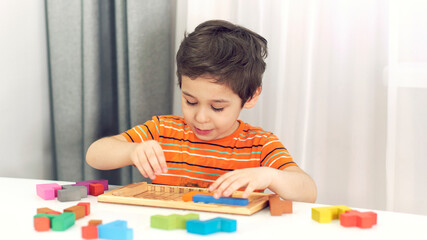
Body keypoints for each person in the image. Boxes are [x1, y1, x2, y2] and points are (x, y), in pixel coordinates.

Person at [86, 20, 317, 202]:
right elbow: (95, 154)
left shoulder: (260, 145)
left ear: (251, 96)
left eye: (217, 107)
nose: (200, 117)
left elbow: (308, 191)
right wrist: (132, 150)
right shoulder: (163, 130)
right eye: (190, 101)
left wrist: (270, 175)